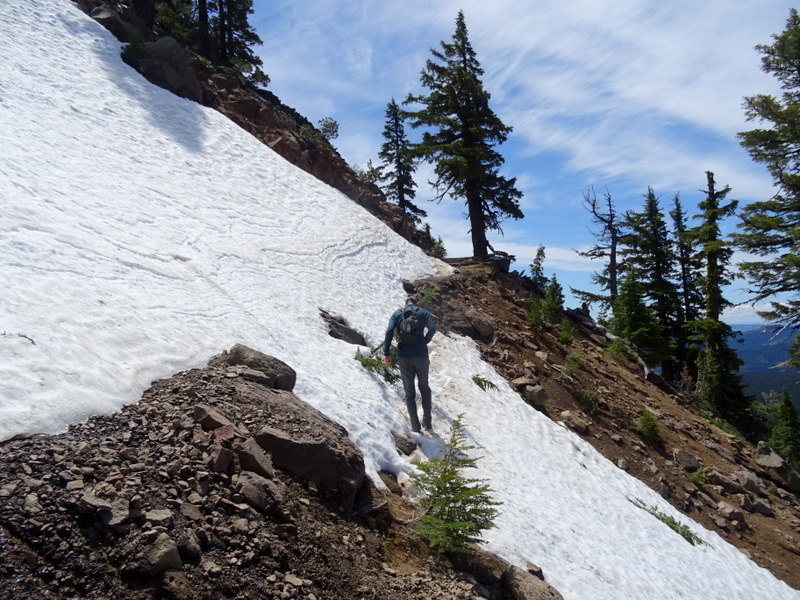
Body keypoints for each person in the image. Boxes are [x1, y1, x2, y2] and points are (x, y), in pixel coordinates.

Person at [383, 295, 437, 432]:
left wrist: (386, 353)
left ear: (406, 303)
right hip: (421, 356)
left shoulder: (398, 313)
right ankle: (428, 422)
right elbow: (432, 328)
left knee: (409, 392)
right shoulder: (423, 312)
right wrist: (424, 341)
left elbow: (389, 331)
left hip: (404, 356)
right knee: (424, 387)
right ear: (416, 303)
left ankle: (415, 426)